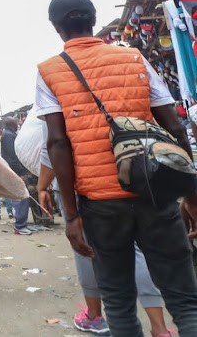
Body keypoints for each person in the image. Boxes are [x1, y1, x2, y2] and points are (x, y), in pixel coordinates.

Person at [39, 0, 197, 336]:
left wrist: (72, 215)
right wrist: (191, 197)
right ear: (93, 20)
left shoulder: (49, 72)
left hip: (100, 203)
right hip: (154, 190)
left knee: (118, 303)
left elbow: (57, 143)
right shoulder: (135, 59)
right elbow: (174, 127)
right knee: (186, 301)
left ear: (56, 27)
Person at [37, 123, 171, 337]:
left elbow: (54, 145)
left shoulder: (56, 93)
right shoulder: (125, 88)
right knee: (136, 250)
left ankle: (94, 317)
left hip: (82, 185)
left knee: (86, 248)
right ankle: (160, 328)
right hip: (128, 174)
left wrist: (42, 185)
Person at [0, 117, 33, 235]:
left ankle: (21, 224)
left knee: (22, 198)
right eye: (14, 121)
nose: (17, 122)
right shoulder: (9, 135)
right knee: (21, 198)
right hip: (17, 171)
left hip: (16, 170)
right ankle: (19, 226)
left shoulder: (9, 134)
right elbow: (12, 156)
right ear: (11, 123)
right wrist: (20, 173)